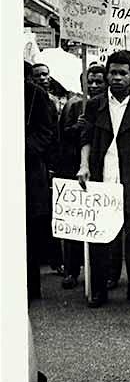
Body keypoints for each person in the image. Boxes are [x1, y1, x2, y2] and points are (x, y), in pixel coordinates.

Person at [77, 50, 130, 307]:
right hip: (101, 178)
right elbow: (85, 137)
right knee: (100, 236)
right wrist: (84, 166)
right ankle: (98, 290)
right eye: (113, 72)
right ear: (106, 74)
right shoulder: (95, 104)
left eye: (123, 73)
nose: (117, 77)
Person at [58, 64, 108, 290]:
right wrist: (75, 128)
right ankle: (71, 270)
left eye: (99, 81)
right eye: (91, 82)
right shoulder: (75, 105)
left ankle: (103, 273)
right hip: (74, 169)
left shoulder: (106, 105)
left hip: (100, 168)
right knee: (74, 223)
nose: (95, 86)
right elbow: (60, 137)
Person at [24, 61, 57, 301]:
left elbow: (47, 132)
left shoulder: (36, 95)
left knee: (28, 233)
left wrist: (22, 149)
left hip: (29, 169)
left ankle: (30, 287)